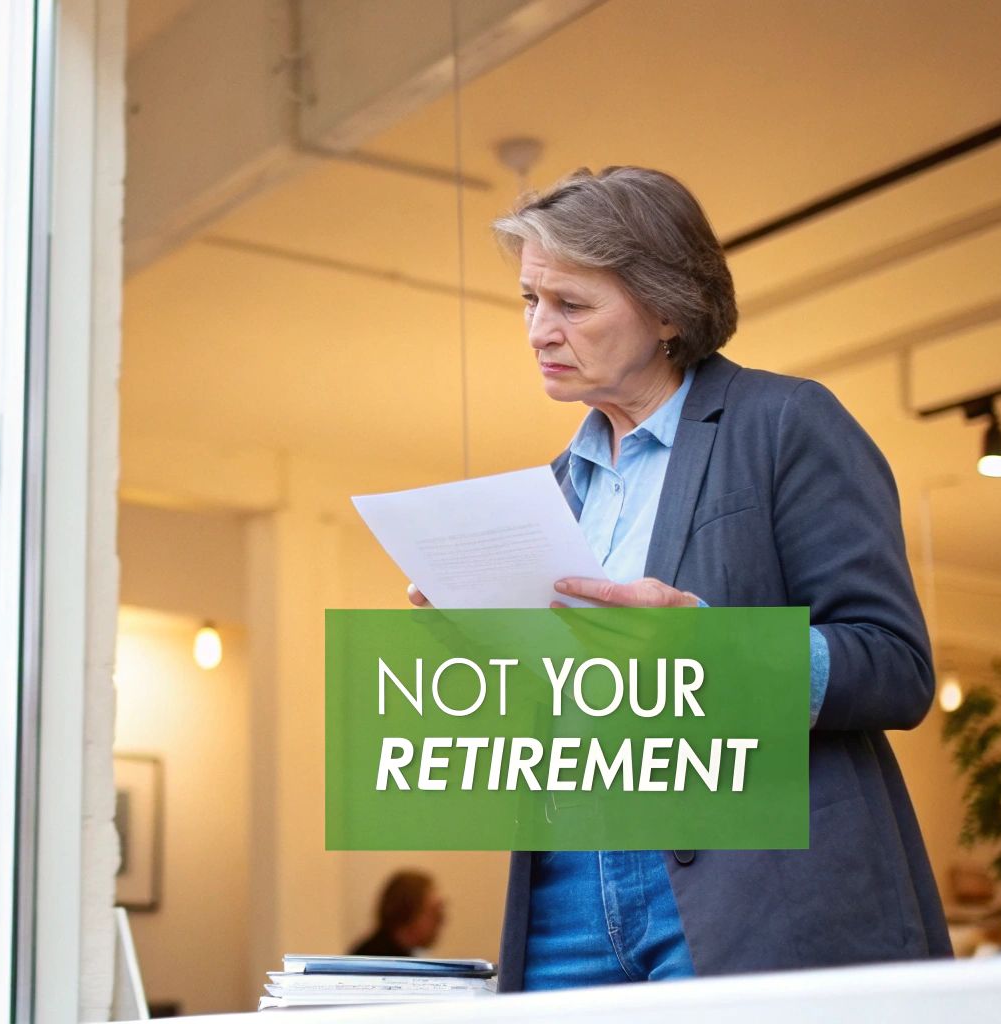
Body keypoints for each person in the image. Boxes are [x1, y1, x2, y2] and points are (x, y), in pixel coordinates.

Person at [407, 166, 951, 990]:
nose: (538, 332)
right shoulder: (553, 491)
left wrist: (709, 646)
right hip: (565, 891)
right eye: (529, 300)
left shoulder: (785, 424)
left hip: (752, 888)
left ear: (667, 311)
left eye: (571, 305)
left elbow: (896, 667)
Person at [349, 870, 446, 957]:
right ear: (407, 914)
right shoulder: (372, 960)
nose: (441, 921)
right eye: (434, 912)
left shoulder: (409, 954)